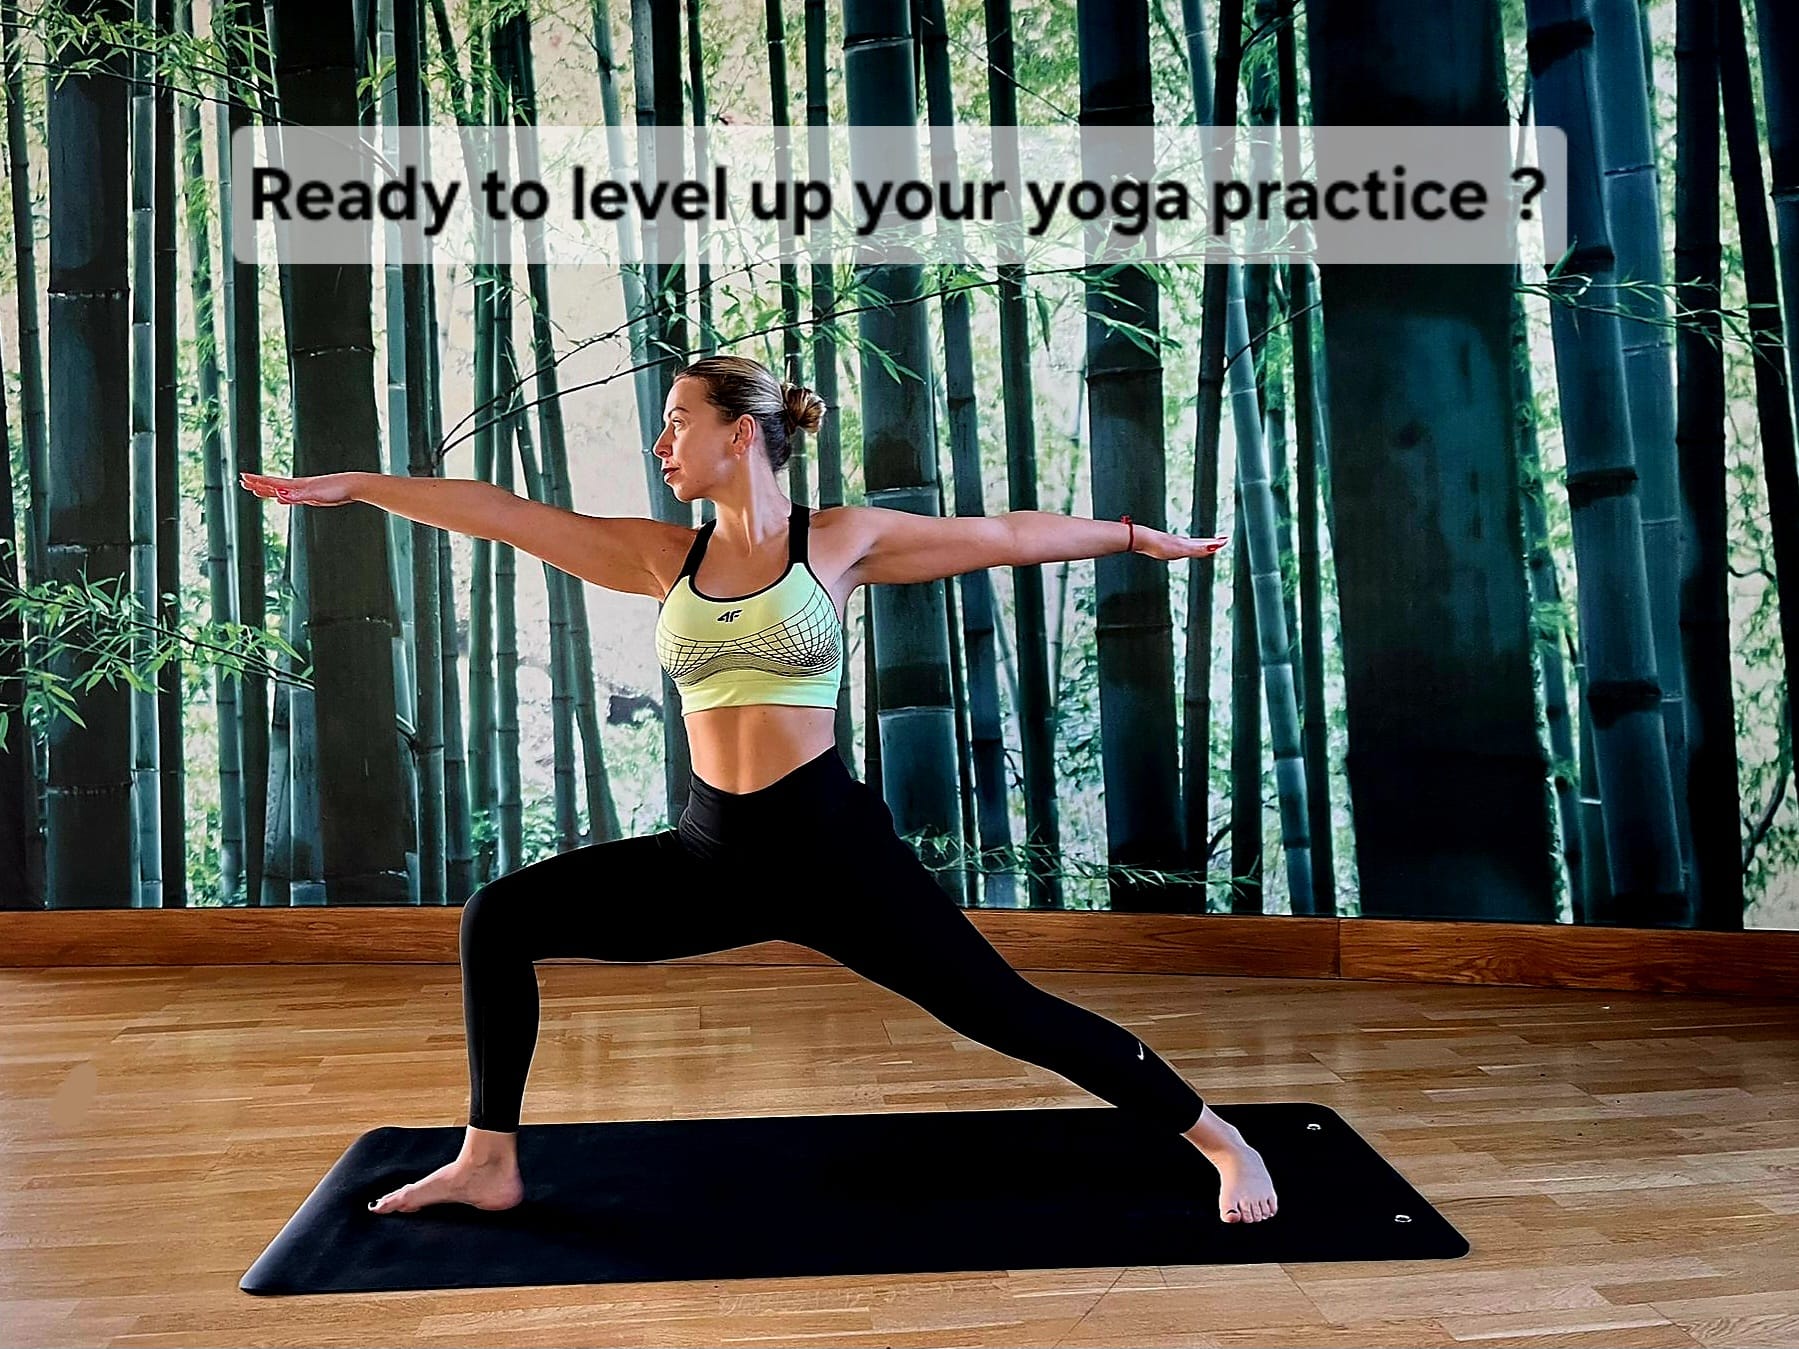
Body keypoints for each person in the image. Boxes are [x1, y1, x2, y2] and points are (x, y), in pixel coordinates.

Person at [241, 353, 1277, 1226]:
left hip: (834, 852)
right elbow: (505, 514)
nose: (661, 445)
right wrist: (360, 486)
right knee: (498, 916)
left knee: (1005, 1011)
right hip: (711, 854)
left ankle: (1218, 1138)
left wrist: (1140, 538)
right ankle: (489, 1157)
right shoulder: (662, 556)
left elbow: (1005, 534)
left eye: (676, 422)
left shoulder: (837, 541)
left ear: (741, 433)